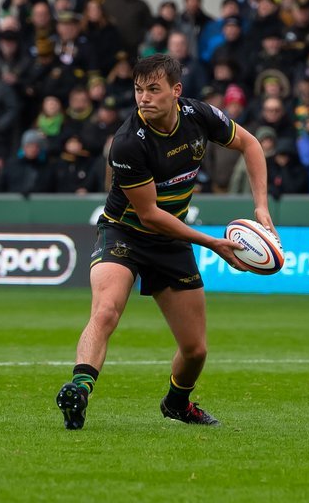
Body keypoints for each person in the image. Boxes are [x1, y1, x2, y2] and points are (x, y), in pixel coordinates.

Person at [55, 54, 273, 430]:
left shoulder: (199, 116)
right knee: (105, 311)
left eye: (153, 89)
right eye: (138, 90)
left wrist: (261, 207)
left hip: (170, 243)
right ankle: (80, 390)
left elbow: (250, 145)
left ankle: (177, 403)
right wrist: (212, 243)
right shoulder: (127, 143)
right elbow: (150, 215)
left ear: (176, 91)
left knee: (195, 350)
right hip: (124, 233)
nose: (144, 98)